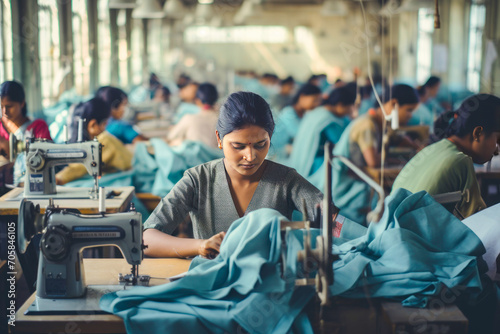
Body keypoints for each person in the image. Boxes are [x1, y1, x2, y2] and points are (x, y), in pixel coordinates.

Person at [142, 91, 323, 258]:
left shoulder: (286, 180)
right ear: (219, 139)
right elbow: (146, 238)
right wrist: (199, 246)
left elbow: (332, 220)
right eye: (238, 146)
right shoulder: (198, 179)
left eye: (261, 145)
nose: (250, 156)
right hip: (214, 284)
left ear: (270, 137)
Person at [392, 94, 500, 219]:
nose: (497, 150)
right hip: (417, 238)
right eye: (498, 140)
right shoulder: (461, 160)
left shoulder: (432, 149)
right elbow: (479, 222)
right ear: (478, 133)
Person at [331, 84, 420, 225]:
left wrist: (416, 147)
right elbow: (373, 162)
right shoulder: (367, 125)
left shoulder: (381, 123)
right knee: (394, 197)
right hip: (347, 186)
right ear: (394, 104)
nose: (410, 116)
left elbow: (399, 140)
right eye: (409, 110)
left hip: (360, 178)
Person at [288, 85, 356, 187]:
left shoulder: (318, 113)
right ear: (340, 105)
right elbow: (341, 143)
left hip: (299, 162)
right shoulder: (328, 120)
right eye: (349, 108)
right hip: (313, 165)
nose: (349, 112)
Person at [56, 98, 133, 185]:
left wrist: (59, 178)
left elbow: (82, 165)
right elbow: (81, 165)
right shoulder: (103, 139)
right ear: (93, 125)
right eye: (105, 124)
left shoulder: (104, 141)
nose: (106, 129)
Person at [0, 81, 52, 185]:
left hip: (32, 183)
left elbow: (47, 156)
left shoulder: (38, 127)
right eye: (2, 106)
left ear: (22, 103)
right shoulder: (1, 127)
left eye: (9, 106)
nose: (5, 111)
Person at [270, 83, 322, 158]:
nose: (317, 104)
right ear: (302, 97)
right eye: (315, 100)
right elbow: (300, 135)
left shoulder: (304, 114)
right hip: (276, 154)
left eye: (319, 101)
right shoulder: (288, 113)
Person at [167, 82, 220, 149]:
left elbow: (171, 136)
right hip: (217, 157)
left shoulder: (189, 119)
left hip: (198, 158)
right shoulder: (222, 119)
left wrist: (182, 140)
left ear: (197, 100)